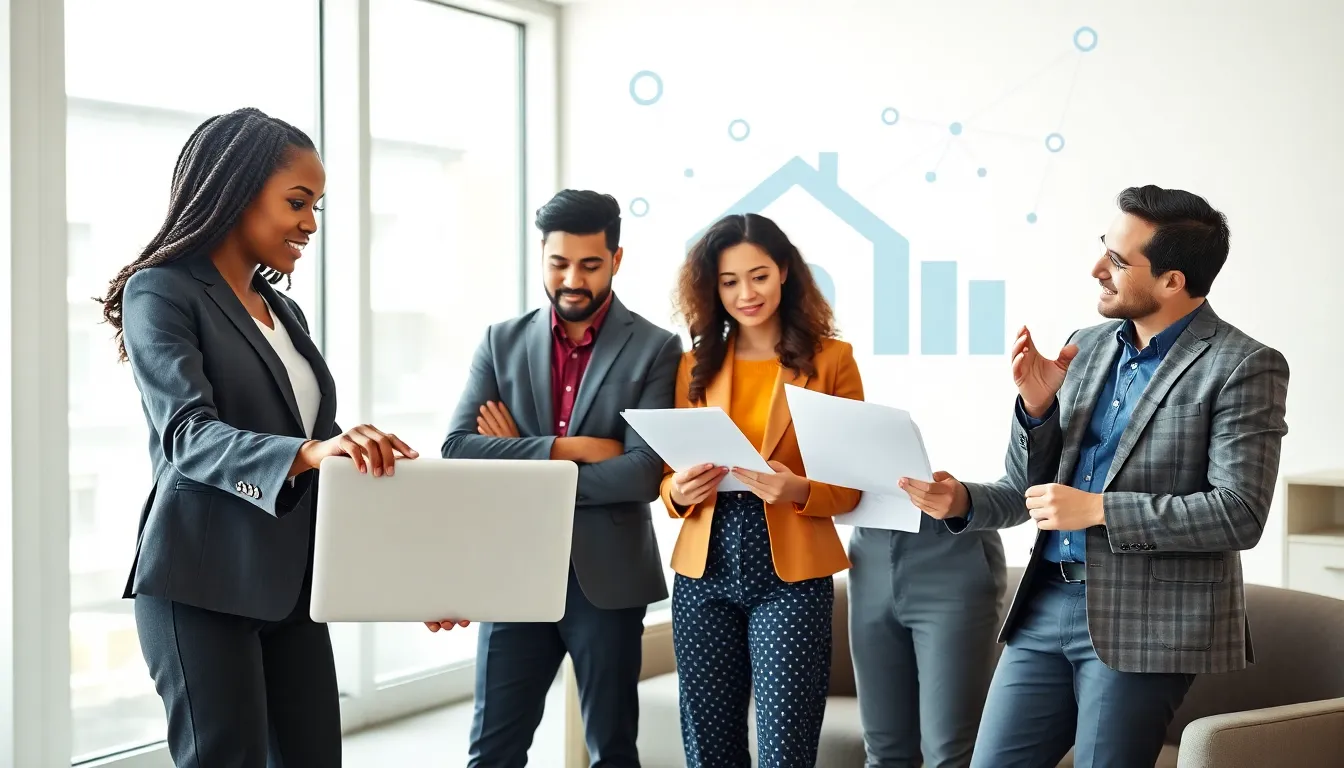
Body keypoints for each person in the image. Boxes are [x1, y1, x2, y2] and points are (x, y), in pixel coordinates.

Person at [901, 185, 1290, 768]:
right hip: (1044, 606)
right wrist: (969, 490)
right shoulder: (1082, 348)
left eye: (1116, 260)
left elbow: (1239, 513)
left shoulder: (1242, 365)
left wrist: (1102, 509)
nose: (1096, 270)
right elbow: (1024, 493)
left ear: (1172, 281)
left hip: (1146, 625)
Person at [102, 108, 420, 767]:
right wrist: (310, 452)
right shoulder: (160, 292)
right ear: (237, 192)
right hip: (201, 582)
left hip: (291, 588)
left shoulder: (283, 309)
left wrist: (416, 579)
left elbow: (318, 448)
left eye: (317, 207)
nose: (310, 223)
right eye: (297, 202)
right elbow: (188, 435)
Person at [436, 189, 682, 767]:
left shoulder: (655, 349)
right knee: (492, 752)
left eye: (590, 264)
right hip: (513, 575)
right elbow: (456, 450)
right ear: (541, 256)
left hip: (607, 580)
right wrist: (574, 449)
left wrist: (514, 453)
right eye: (559, 262)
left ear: (616, 260)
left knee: (612, 751)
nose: (573, 278)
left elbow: (642, 472)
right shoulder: (500, 341)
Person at [661, 212, 863, 768]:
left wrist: (796, 487)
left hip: (792, 571)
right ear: (712, 287)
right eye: (729, 281)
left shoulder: (832, 361)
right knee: (708, 747)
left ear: (785, 274)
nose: (745, 293)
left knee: (785, 748)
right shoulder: (692, 366)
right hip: (703, 569)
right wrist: (677, 488)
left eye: (759, 276)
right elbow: (668, 477)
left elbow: (853, 486)